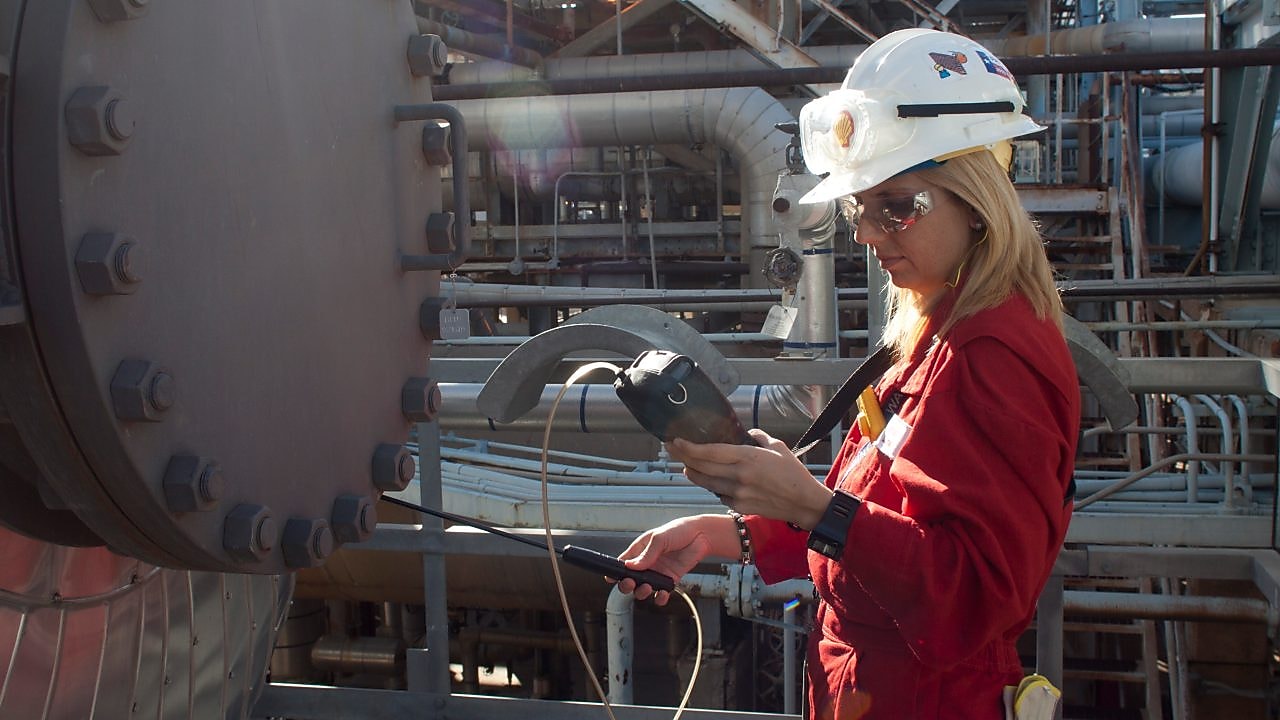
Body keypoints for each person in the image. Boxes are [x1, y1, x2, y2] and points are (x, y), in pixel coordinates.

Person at [613, 29, 1080, 719]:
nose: (865, 232)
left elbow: (972, 599)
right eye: (859, 206)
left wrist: (809, 504)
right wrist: (735, 533)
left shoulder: (995, 357)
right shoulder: (937, 334)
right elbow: (881, 522)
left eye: (897, 206)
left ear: (977, 200)